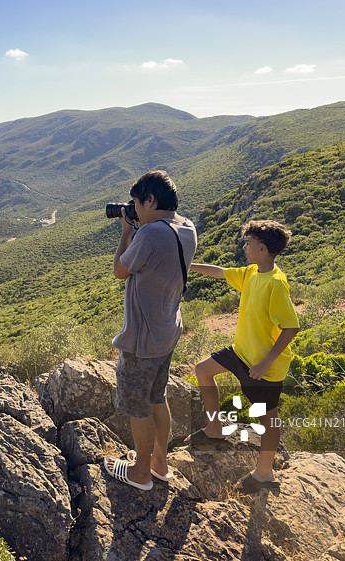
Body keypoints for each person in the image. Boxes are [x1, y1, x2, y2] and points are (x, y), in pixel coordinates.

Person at [188, 219, 300, 493]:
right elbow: (220, 272)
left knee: (267, 417)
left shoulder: (275, 283)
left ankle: (264, 472)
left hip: (262, 365)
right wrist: (188, 264)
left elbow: (292, 326)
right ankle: (214, 430)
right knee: (203, 370)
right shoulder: (251, 272)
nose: (244, 246)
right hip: (240, 352)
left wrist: (266, 362)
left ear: (262, 248)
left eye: (248, 243)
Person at [104, 170, 197, 491]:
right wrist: (139, 224)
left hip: (142, 339)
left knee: (136, 405)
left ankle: (140, 472)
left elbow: (120, 270)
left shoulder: (150, 234)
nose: (133, 209)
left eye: (136, 203)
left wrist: (126, 232)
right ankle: (160, 462)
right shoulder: (187, 228)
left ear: (151, 200)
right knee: (157, 397)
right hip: (167, 329)